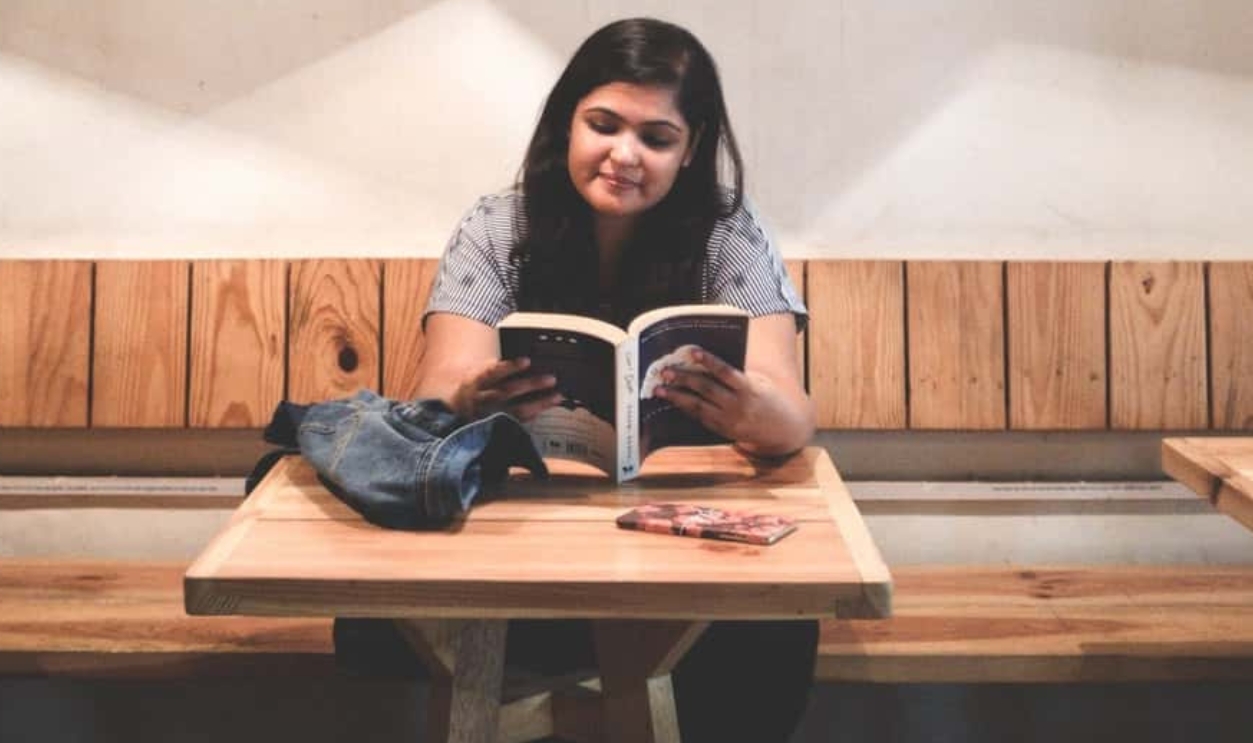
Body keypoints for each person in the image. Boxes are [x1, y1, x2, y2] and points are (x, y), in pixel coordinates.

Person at [417, 16, 816, 741]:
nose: (622, 155)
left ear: (689, 149)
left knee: (777, 613)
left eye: (655, 138)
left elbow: (792, 418)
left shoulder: (727, 234)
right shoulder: (498, 226)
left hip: (678, 536)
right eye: (602, 124)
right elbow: (434, 389)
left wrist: (750, 406)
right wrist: (470, 394)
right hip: (524, 529)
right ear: (565, 123)